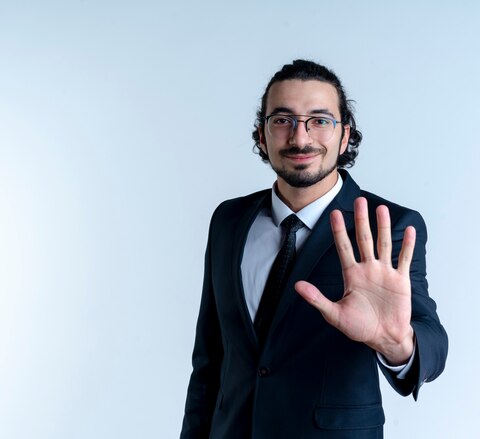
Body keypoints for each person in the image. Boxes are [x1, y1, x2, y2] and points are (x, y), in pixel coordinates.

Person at [180, 59, 448, 439]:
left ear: (344, 136)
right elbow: (209, 361)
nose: (300, 138)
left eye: (319, 121)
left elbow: (432, 340)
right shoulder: (228, 220)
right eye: (282, 120)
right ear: (261, 135)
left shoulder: (386, 225)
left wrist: (398, 344)